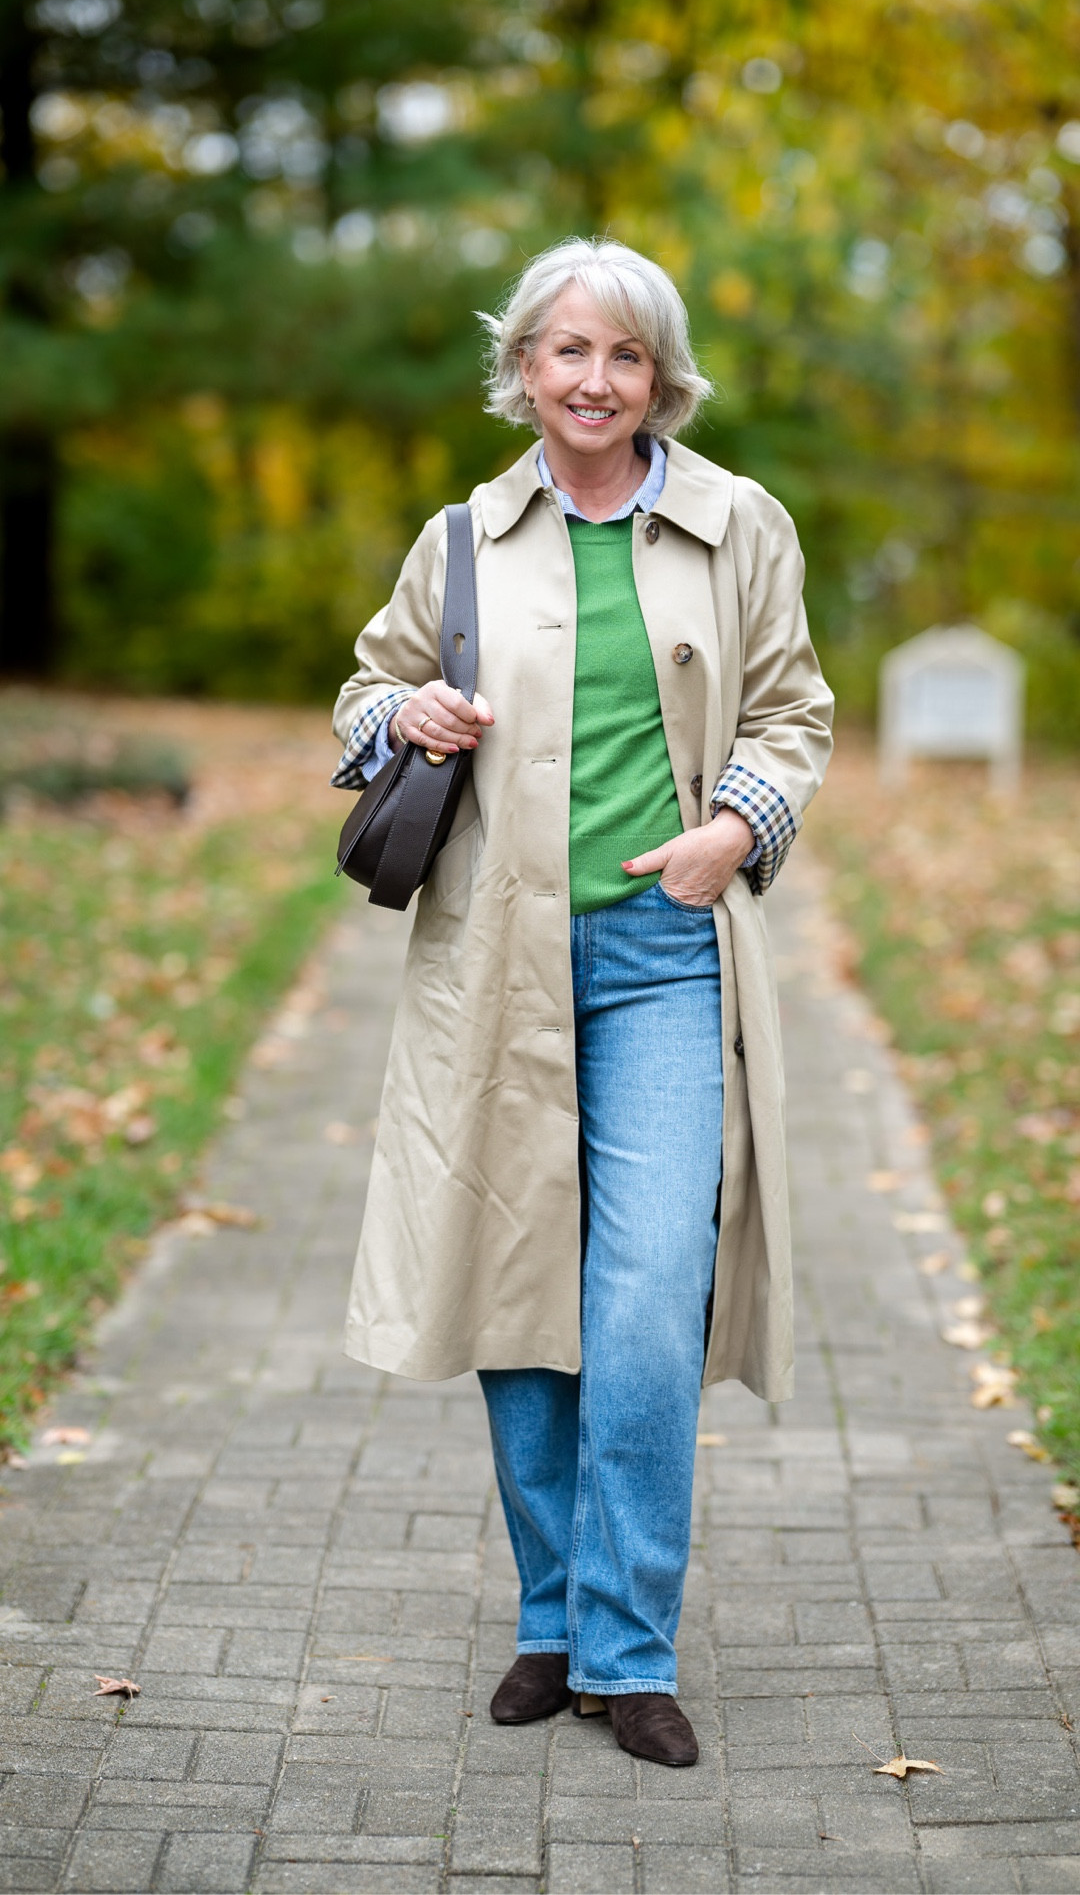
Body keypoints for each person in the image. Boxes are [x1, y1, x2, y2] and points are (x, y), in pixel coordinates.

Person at [331, 238, 833, 1767]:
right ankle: (555, 1621)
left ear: (659, 373)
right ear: (524, 369)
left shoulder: (737, 523)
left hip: (668, 956)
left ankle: (632, 1641)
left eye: (622, 355)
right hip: (499, 964)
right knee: (519, 1290)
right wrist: (400, 712)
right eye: (565, 351)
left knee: (638, 1300)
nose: (593, 381)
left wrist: (730, 832)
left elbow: (794, 713)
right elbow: (363, 700)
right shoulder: (463, 539)